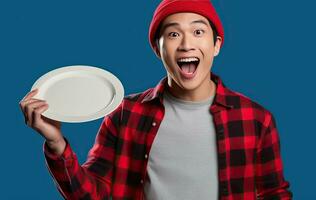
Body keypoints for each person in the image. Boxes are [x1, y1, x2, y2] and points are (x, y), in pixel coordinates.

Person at [18, 0, 292, 199]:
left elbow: (273, 193)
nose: (186, 44)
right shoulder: (124, 113)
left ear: (216, 45)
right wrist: (56, 143)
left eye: (198, 32)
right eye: (173, 34)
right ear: (157, 49)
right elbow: (92, 194)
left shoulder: (256, 119)